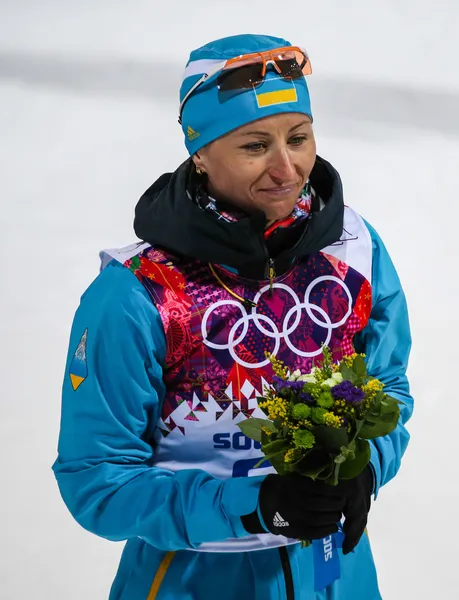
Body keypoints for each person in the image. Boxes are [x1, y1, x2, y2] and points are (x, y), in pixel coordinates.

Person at [52, 34, 413, 600]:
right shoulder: (137, 294)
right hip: (194, 581)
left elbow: (387, 387)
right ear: (200, 152)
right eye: (253, 146)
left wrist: (364, 466)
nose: (286, 167)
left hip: (334, 576)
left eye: (299, 137)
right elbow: (97, 480)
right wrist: (255, 508)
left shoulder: (355, 251)